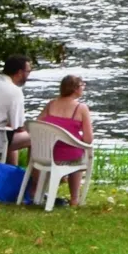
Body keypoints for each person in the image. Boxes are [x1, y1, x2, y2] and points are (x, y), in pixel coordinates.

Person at [38, 74, 93, 206]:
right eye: (82, 85)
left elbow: (37, 125)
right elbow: (88, 139)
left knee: (74, 151)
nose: (83, 87)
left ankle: (40, 192)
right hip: (66, 157)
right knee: (78, 154)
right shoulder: (81, 108)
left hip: (46, 154)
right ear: (75, 89)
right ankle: (74, 199)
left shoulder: (51, 104)